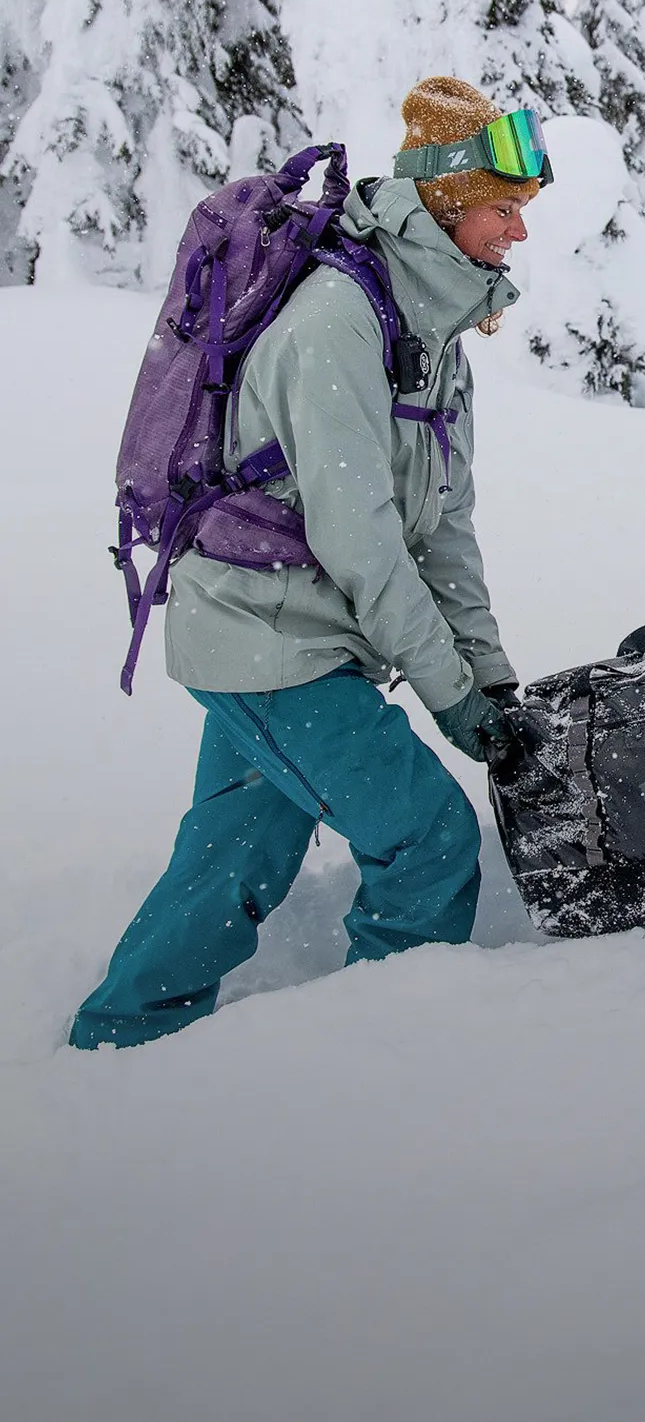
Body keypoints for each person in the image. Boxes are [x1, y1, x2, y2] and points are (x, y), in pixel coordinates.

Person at [72, 77, 549, 1049]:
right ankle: (367, 1076)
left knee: (234, 854)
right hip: (269, 637)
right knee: (429, 840)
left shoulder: (431, 336)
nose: (519, 232)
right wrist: (454, 699)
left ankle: (116, 1045)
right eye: (505, 208)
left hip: (287, 637)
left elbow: (443, 527)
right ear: (445, 203)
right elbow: (362, 540)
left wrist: (491, 677)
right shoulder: (336, 322)